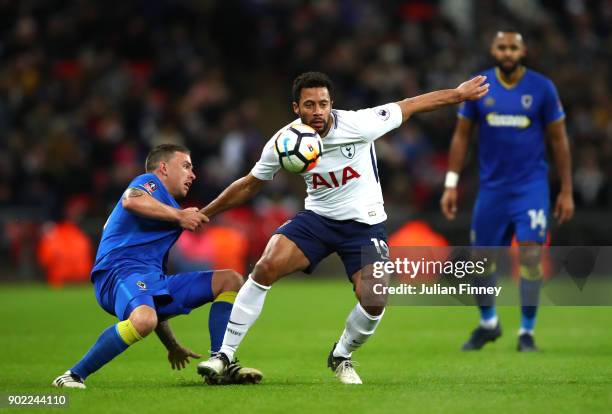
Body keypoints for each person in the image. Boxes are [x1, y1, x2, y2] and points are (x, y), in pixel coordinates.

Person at [195, 71, 488, 384]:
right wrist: (206, 212)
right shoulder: (285, 142)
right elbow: (249, 185)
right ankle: (224, 355)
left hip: (364, 224)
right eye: (309, 105)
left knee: (375, 298)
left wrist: (457, 94)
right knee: (266, 266)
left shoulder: (359, 124)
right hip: (318, 219)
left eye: (323, 103)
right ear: (297, 108)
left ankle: (342, 355)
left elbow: (411, 104)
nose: (317, 111)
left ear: (331, 103)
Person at [52, 144, 262, 388]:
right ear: (163, 168)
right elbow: (131, 200)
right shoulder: (148, 183)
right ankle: (73, 375)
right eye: (185, 166)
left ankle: (220, 363)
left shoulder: (168, 211)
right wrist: (181, 216)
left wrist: (172, 346)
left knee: (231, 280)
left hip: (149, 278)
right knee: (143, 320)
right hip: (117, 273)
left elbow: (152, 300)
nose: (192, 175)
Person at [440, 31, 574, 352]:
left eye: (514, 47)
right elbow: (461, 136)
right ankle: (489, 323)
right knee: (481, 260)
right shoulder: (479, 86)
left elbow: (559, 139)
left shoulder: (542, 88)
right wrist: (451, 183)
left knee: (529, 254)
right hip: (492, 190)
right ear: (493, 49)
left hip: (531, 188)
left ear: (523, 50)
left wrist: (566, 189)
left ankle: (526, 332)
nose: (508, 52)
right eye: (502, 47)